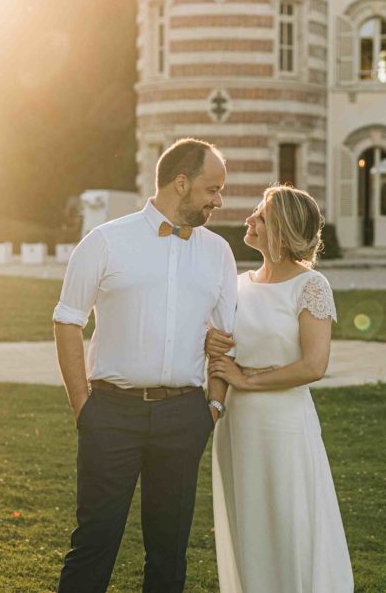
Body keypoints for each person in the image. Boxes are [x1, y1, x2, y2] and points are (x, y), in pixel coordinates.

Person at [52, 138, 238, 593]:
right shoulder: (105, 242)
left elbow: (226, 340)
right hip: (112, 415)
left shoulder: (218, 253)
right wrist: (85, 409)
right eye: (212, 189)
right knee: (94, 544)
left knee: (170, 551)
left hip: (183, 417)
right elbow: (67, 321)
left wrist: (211, 408)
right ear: (181, 183)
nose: (219, 200)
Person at [206, 185, 354, 593]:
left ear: (283, 231)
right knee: (247, 520)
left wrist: (247, 380)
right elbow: (219, 354)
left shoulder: (311, 286)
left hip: (284, 424)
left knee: (289, 518)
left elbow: (313, 364)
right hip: (237, 425)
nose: (249, 220)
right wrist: (215, 401)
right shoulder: (237, 284)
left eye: (261, 216)